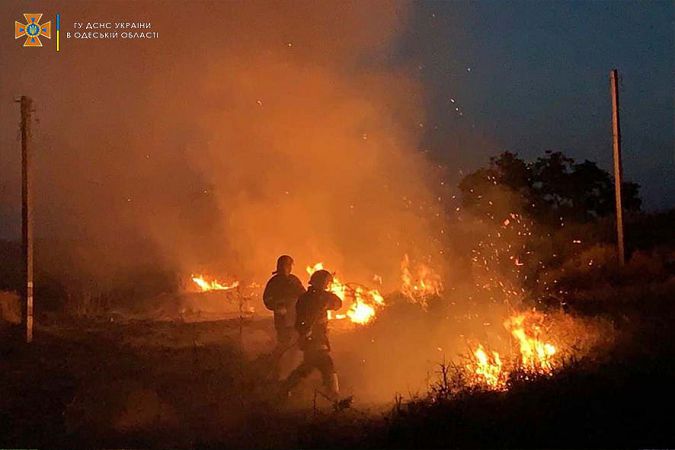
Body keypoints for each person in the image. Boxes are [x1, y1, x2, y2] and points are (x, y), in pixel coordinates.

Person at [281, 269, 342, 400]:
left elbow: (338, 303)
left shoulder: (321, 297)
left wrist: (327, 304)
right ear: (321, 282)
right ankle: (334, 395)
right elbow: (300, 320)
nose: (327, 285)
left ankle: (285, 388)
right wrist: (305, 331)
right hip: (313, 339)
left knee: (307, 367)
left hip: (316, 338)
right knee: (326, 364)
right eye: (326, 283)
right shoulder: (307, 299)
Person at [263, 255, 306, 351]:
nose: (289, 268)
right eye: (288, 265)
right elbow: (267, 299)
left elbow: (303, 295)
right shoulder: (274, 282)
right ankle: (278, 363)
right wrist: (277, 306)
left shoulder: (293, 280)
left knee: (295, 345)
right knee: (284, 344)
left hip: (295, 318)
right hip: (282, 320)